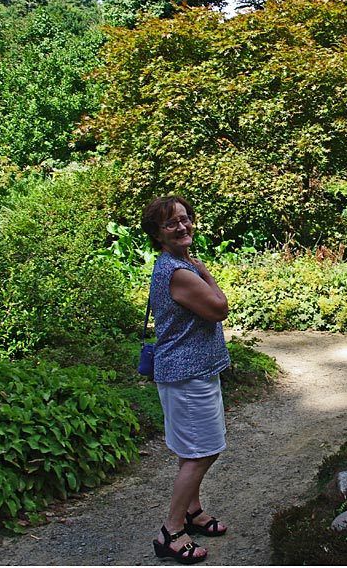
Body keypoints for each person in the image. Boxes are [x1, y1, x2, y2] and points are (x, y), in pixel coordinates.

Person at [141, 196, 231, 564]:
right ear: (158, 235)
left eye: (185, 219)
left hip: (187, 373)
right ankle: (171, 531)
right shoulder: (180, 272)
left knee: (190, 451)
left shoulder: (175, 264)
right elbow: (219, 308)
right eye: (171, 223)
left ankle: (192, 511)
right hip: (188, 376)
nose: (182, 227)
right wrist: (205, 272)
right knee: (203, 452)